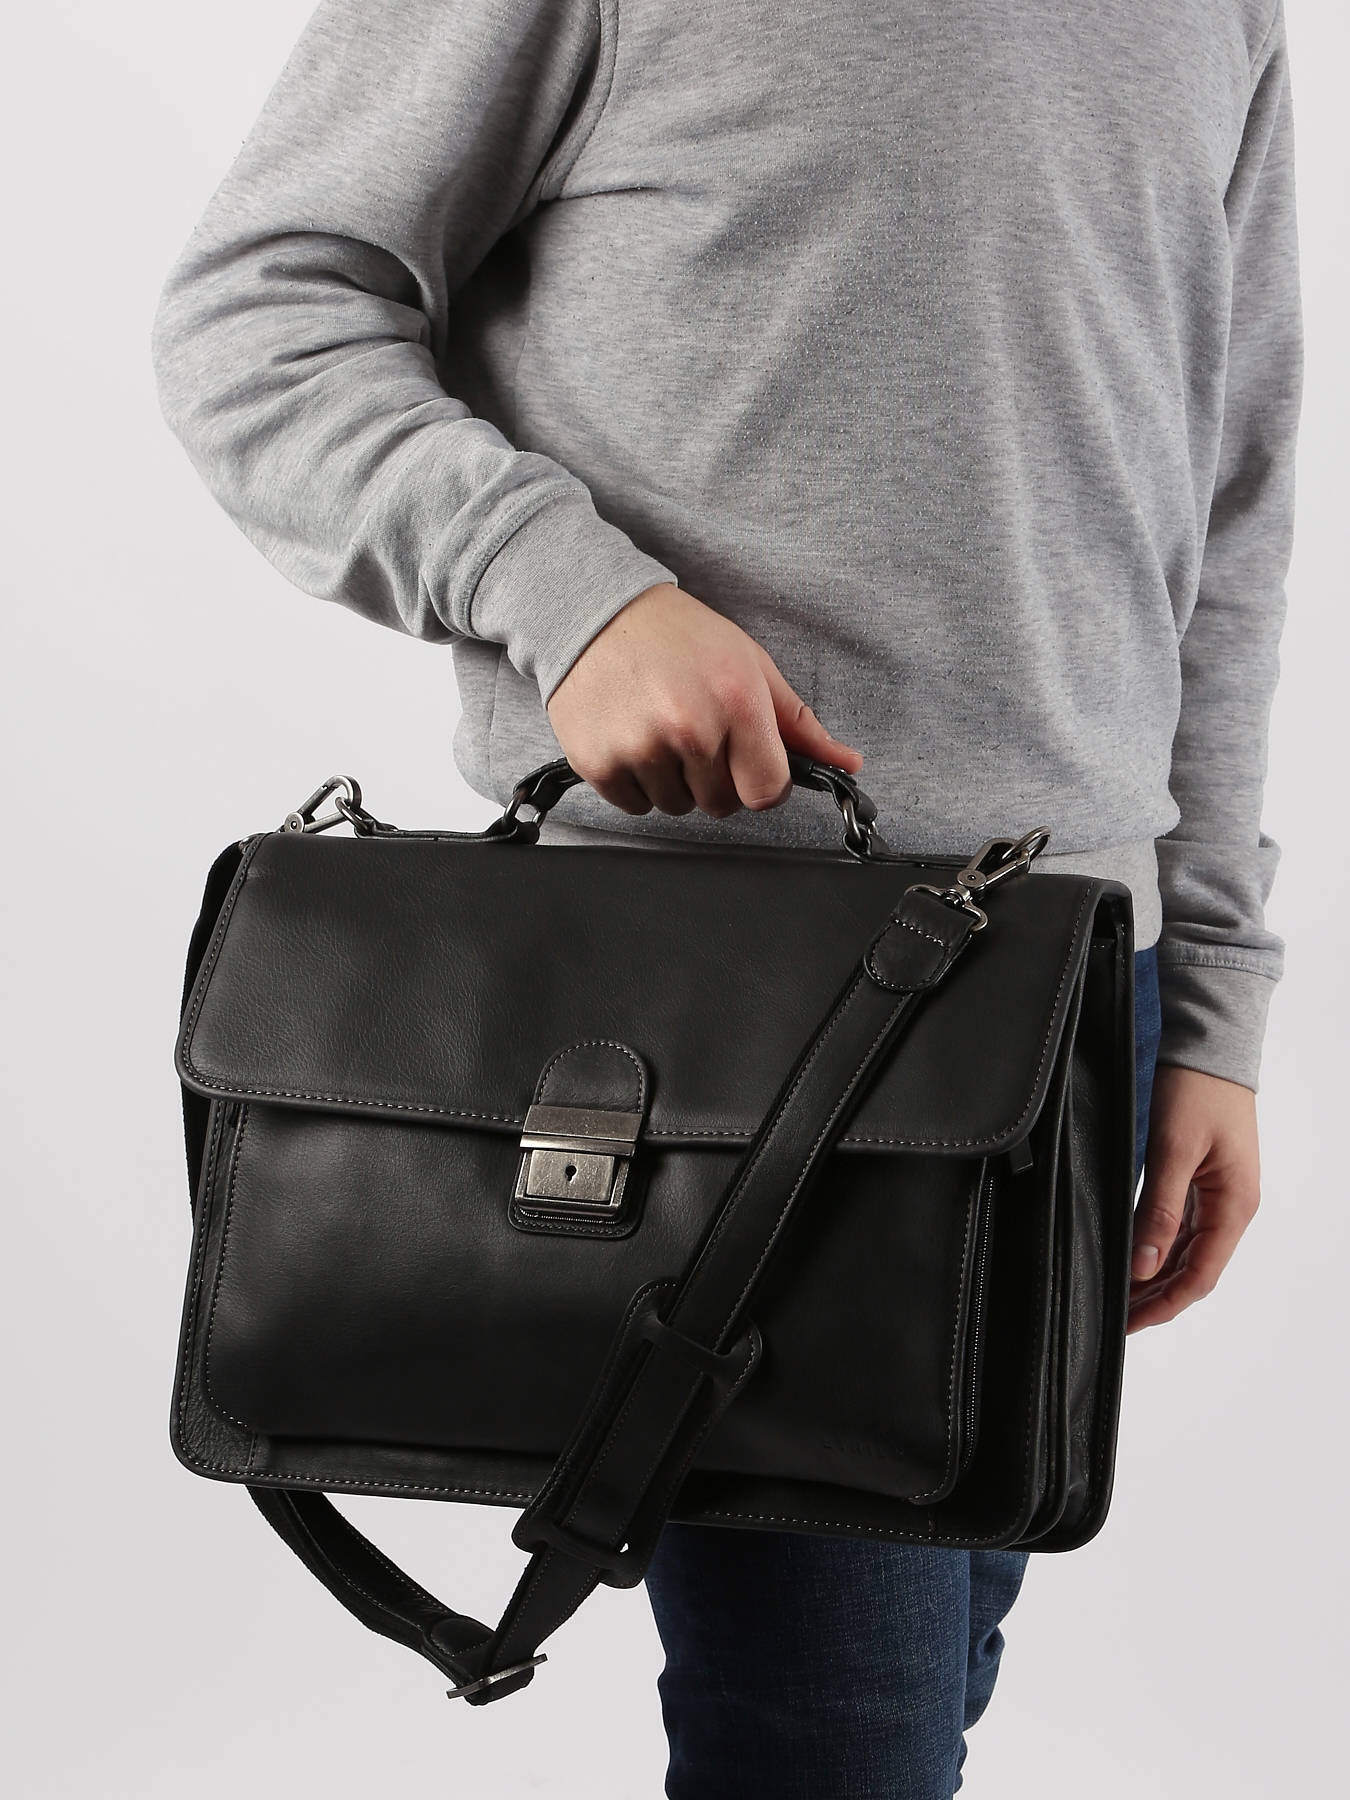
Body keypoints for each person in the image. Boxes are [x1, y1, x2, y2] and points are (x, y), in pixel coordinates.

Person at [150, 2, 1302, 1791]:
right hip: (724, 1017)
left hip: (1077, 991)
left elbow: (1224, 500)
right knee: (842, 1741)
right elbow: (262, 311)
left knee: (923, 1686)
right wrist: (572, 594)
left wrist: (1208, 995)